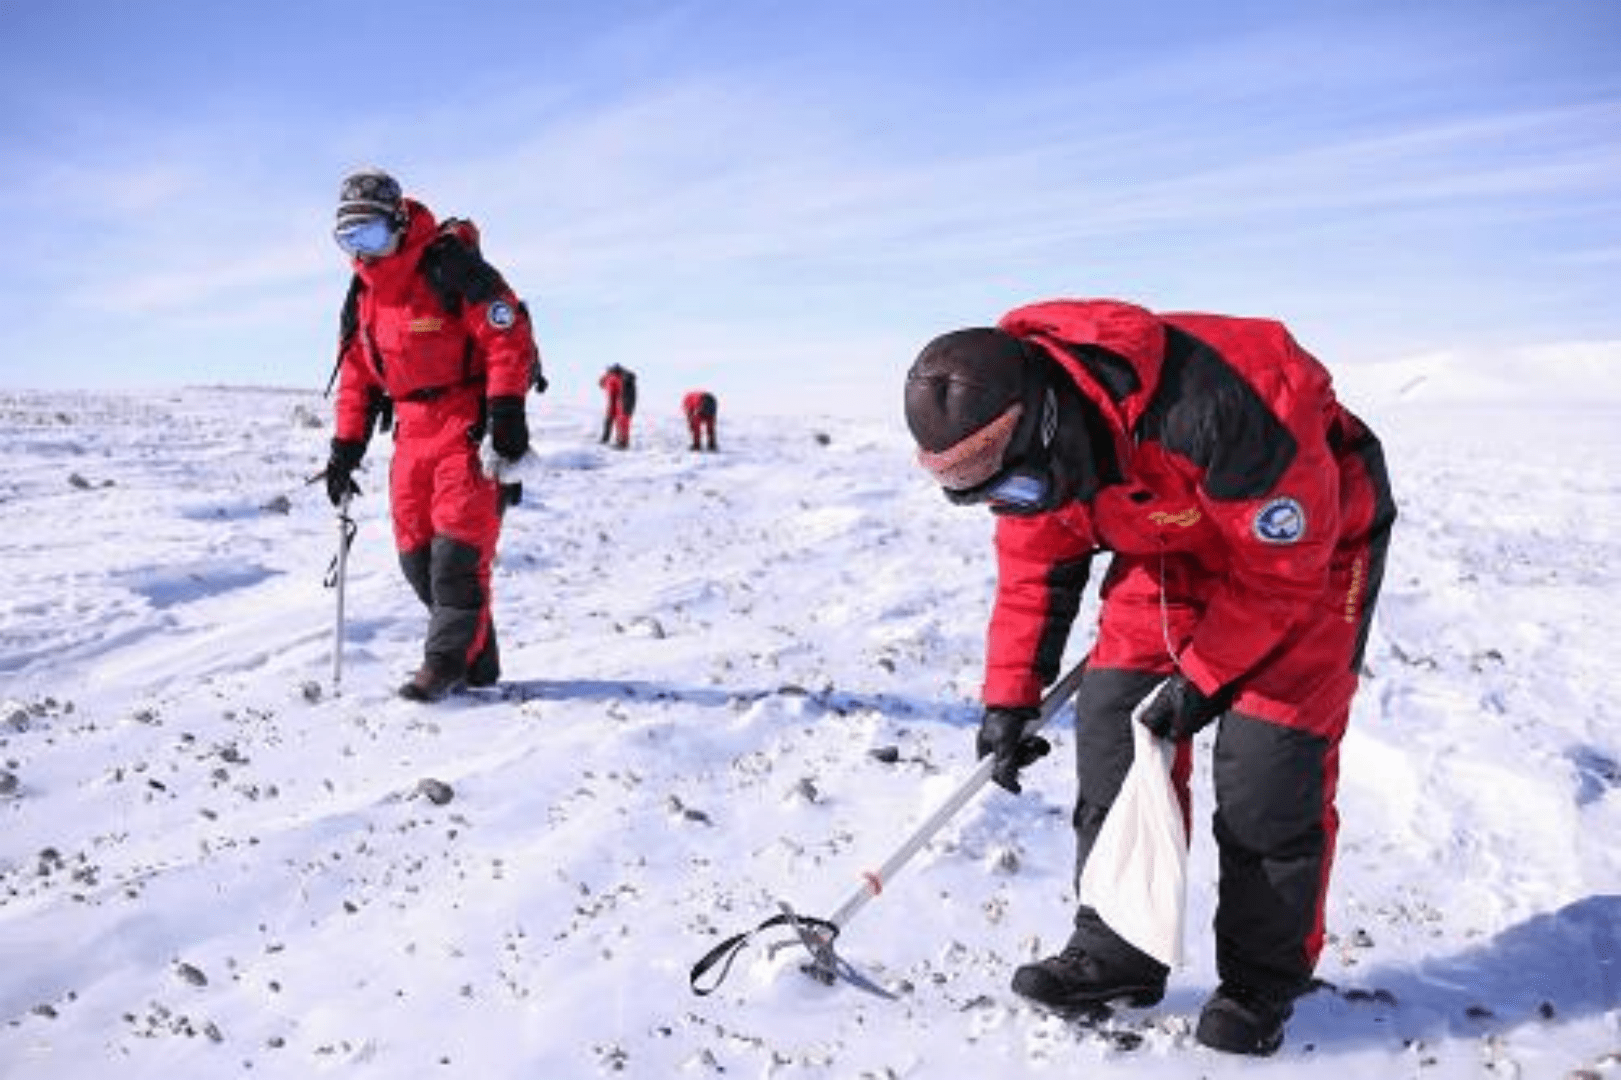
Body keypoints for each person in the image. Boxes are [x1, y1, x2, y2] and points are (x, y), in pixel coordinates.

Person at [903, 299, 1394, 1056]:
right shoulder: (1029, 458)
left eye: (1021, 492)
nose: (1020, 507)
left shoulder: (1229, 402)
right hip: (1169, 538)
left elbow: (1281, 576)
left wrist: (1202, 679)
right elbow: (1035, 570)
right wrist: (1008, 698)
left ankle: (1261, 982)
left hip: (1310, 553)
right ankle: (1117, 951)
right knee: (1112, 723)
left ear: (1048, 423)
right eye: (999, 502)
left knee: (1267, 764)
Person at [321, 168, 543, 702]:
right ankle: (478, 658)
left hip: (465, 425)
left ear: (398, 222)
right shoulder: (364, 294)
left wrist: (507, 410)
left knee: (456, 558)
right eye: (348, 239)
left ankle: (441, 665)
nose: (363, 251)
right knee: (416, 559)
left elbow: (505, 335)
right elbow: (357, 374)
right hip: (410, 436)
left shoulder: (450, 267)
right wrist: (345, 447)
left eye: (370, 234)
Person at [598, 363, 637, 449]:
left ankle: (621, 442)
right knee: (621, 418)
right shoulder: (615, 378)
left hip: (624, 398)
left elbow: (612, 397)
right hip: (627, 399)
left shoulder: (610, 379)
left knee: (621, 418)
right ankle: (621, 442)